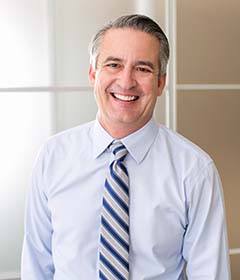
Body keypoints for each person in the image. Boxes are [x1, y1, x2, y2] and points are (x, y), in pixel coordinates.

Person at [21, 14, 230, 279]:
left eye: (143, 68)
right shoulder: (52, 156)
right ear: (93, 74)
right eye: (114, 65)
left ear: (161, 82)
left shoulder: (195, 170)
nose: (126, 81)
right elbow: (36, 267)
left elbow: (210, 274)